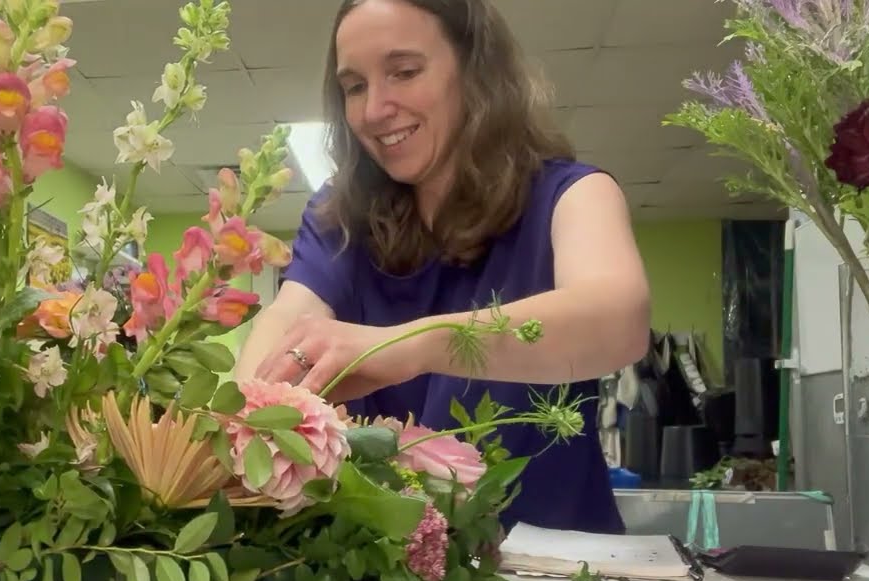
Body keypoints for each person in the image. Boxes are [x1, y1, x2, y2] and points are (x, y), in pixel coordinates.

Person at [234, 0, 651, 534]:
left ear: (476, 71)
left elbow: (618, 319)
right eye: (354, 86)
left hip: (564, 579)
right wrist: (250, 413)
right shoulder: (337, 219)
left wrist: (404, 349)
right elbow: (281, 337)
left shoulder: (574, 196)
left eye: (404, 72)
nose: (373, 109)